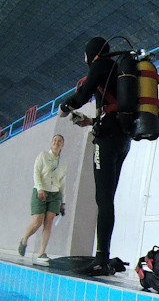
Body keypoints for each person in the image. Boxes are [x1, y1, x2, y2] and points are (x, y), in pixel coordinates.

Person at [59, 36, 131, 276]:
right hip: (122, 139)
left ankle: (101, 259)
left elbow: (81, 96)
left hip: (107, 139)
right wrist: (89, 121)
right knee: (107, 198)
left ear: (91, 53)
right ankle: (104, 255)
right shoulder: (118, 69)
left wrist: (65, 107)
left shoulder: (99, 66)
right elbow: (112, 107)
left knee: (103, 199)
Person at [18, 134, 67, 264]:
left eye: (60, 141)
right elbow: (36, 173)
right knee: (37, 222)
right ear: (51, 143)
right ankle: (24, 240)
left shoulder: (62, 163)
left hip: (55, 194)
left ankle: (41, 252)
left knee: (48, 222)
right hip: (41, 191)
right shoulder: (43, 156)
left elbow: (62, 183)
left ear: (62, 145)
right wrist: (40, 188)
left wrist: (63, 201)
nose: (57, 142)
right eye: (55, 140)